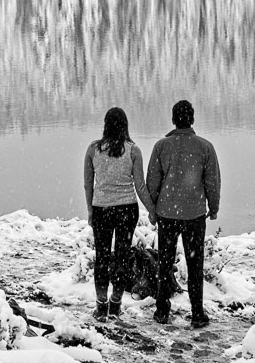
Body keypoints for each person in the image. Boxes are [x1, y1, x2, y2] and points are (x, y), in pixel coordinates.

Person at [146, 99, 221, 328]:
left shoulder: (161, 146)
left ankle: (161, 310)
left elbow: (152, 181)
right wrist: (214, 207)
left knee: (165, 262)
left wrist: (153, 210)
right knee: (195, 264)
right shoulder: (205, 147)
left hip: (167, 214)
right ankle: (197, 313)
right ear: (192, 119)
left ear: (173, 120)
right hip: (194, 215)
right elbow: (212, 182)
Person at [83, 106, 156, 321]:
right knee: (123, 256)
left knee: (102, 258)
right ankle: (115, 303)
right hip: (126, 209)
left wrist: (90, 210)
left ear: (106, 125)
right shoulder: (133, 150)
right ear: (125, 126)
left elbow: (88, 185)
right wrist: (153, 210)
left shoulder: (93, 149)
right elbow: (140, 186)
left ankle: (101, 305)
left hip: (101, 209)